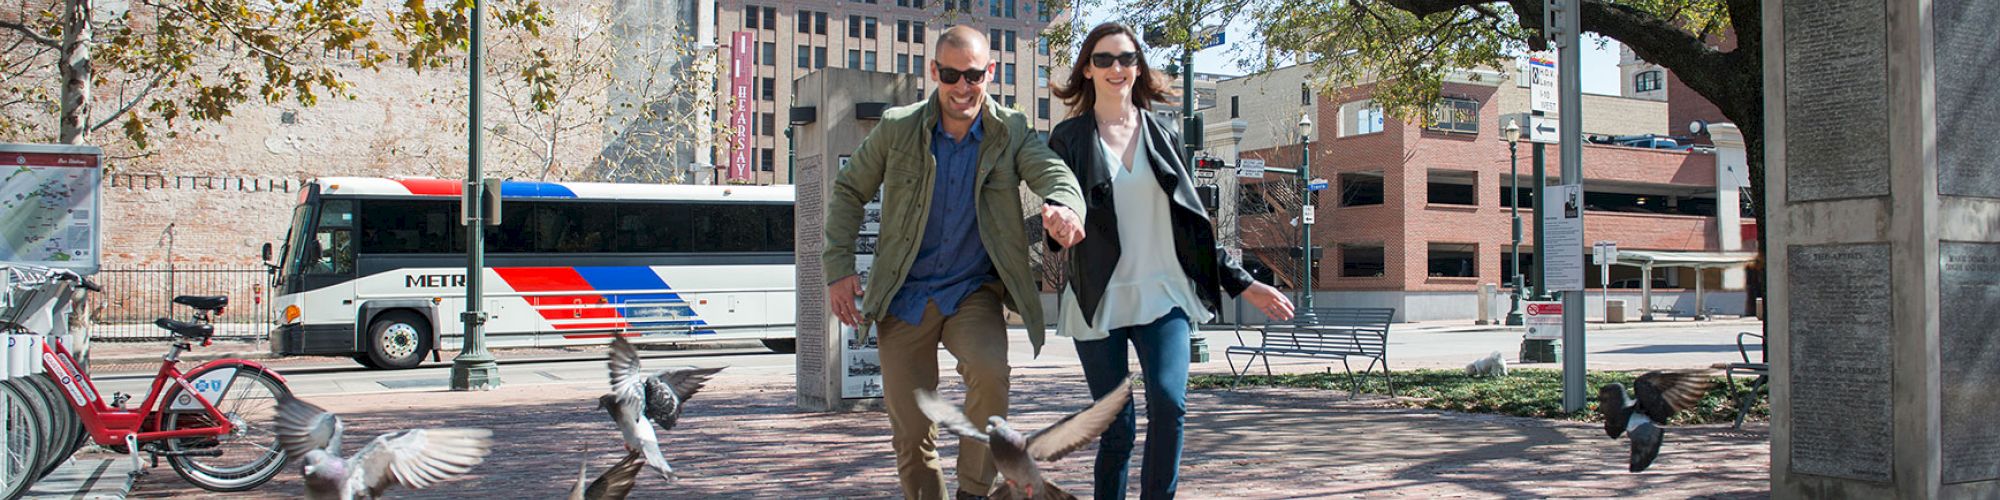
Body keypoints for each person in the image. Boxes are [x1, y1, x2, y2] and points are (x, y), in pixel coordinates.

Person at [821, 26, 1088, 500]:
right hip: (904, 295)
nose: (963, 87)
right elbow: (848, 190)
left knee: (990, 372)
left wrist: (1065, 206)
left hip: (972, 292)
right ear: (934, 72)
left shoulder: (1011, 130)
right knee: (911, 432)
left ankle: (971, 490)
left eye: (973, 75)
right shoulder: (898, 128)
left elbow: (1051, 170)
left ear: (990, 72)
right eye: (951, 74)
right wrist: (839, 268)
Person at [1045, 23, 1296, 499]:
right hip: (1100, 300)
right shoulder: (1069, 139)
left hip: (1164, 293)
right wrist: (1057, 226)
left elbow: (1194, 228)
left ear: (1138, 67)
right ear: (1087, 68)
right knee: (1116, 429)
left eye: (1126, 59)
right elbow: (1058, 203)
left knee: (1169, 403)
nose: (1116, 68)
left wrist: (1246, 284)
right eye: (1104, 59)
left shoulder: (1164, 134)